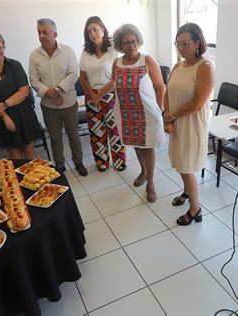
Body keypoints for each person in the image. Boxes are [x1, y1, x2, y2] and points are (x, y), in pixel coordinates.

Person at [163, 23, 214, 225]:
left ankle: (196, 209)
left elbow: (197, 103)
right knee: (180, 161)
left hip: (192, 125)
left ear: (197, 43)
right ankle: (186, 193)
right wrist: (168, 115)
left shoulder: (205, 67)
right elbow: (168, 92)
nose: (181, 48)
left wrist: (172, 115)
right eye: (178, 44)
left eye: (185, 44)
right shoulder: (178, 66)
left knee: (186, 166)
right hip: (176, 121)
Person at [112, 24, 165, 202]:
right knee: (135, 144)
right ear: (120, 44)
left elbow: (160, 86)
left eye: (133, 41)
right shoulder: (116, 63)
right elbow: (114, 83)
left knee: (147, 146)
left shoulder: (146, 60)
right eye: (126, 42)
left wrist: (160, 109)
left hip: (147, 113)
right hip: (126, 113)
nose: (131, 45)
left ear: (138, 41)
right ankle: (143, 171)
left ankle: (150, 183)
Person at [29, 18, 87, 176]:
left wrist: (58, 89)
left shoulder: (67, 51)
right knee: (55, 138)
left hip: (68, 103)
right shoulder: (34, 55)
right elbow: (33, 80)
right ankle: (60, 165)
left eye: (44, 32)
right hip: (49, 106)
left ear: (55, 34)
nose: (41, 35)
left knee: (74, 136)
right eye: (39, 32)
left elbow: (73, 74)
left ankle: (78, 162)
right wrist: (51, 94)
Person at [0, 31, 40, 160]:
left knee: (29, 148)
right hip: (0, 116)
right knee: (14, 152)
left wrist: (4, 105)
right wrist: (5, 116)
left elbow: (24, 91)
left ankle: (34, 178)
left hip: (22, 112)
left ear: (4, 47)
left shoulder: (15, 65)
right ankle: (18, 179)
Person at [79, 16, 126, 172]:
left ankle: (119, 162)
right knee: (96, 130)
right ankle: (102, 162)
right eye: (89, 31)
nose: (93, 34)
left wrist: (99, 96)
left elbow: (115, 77)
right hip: (91, 95)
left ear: (103, 30)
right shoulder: (86, 52)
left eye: (95, 30)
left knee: (115, 130)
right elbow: (82, 77)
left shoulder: (113, 49)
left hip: (111, 95)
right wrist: (92, 94)